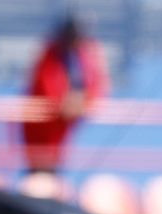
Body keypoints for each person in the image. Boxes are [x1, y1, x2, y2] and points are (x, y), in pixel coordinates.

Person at [22, 17, 110, 172]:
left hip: (61, 130)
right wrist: (63, 104)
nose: (73, 43)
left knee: (53, 164)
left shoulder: (85, 55)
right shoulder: (50, 55)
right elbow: (46, 84)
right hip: (43, 129)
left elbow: (97, 83)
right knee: (41, 166)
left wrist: (84, 103)